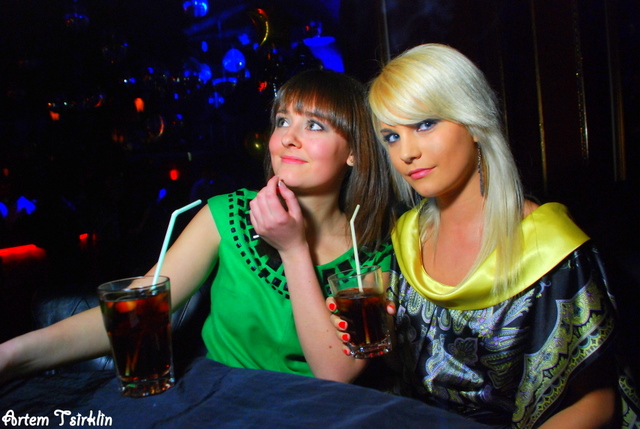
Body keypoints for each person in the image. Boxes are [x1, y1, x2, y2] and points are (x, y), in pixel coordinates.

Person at [0, 68, 398, 384]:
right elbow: (136, 307)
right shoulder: (228, 215)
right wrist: (13, 355)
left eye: (314, 126)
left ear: (354, 152)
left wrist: (293, 249)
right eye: (282, 121)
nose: (287, 139)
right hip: (219, 403)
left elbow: (336, 374)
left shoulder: (372, 250)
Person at [329, 44, 639, 428]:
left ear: (473, 122)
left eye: (425, 124)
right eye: (391, 136)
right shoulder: (406, 236)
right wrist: (375, 334)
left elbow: (598, 403)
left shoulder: (549, 245)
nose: (406, 152)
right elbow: (407, 372)